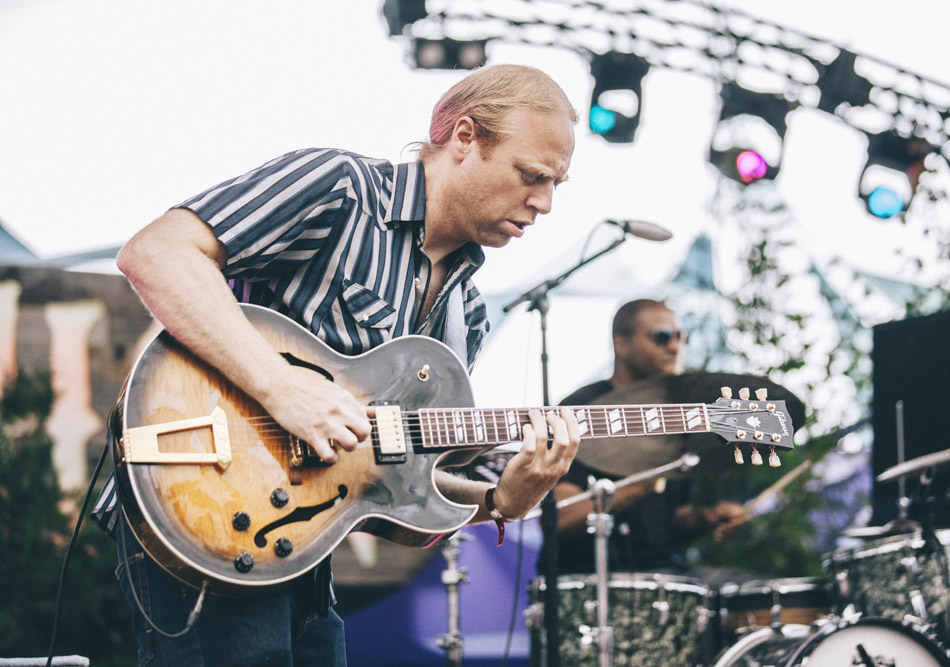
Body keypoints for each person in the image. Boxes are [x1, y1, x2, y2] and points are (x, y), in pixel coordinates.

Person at [92, 64, 582, 667]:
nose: (546, 202)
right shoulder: (342, 189)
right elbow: (155, 252)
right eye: (532, 175)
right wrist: (281, 387)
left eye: (557, 184)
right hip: (198, 498)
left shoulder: (467, 315)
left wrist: (501, 500)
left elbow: (390, 486)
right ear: (464, 137)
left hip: (298, 545)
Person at [553, 298, 747, 574]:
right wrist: (646, 481)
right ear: (622, 344)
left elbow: (672, 517)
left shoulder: (675, 416)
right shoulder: (581, 410)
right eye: (662, 337)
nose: (674, 346)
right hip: (589, 580)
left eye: (680, 337)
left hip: (663, 575)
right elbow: (560, 517)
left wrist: (707, 517)